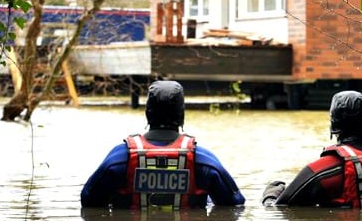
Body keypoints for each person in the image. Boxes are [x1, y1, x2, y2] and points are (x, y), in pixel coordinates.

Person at [81, 80, 245, 209]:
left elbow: (89, 201)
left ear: (147, 113)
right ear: (181, 114)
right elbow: (234, 204)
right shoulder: (204, 161)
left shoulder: (118, 159)